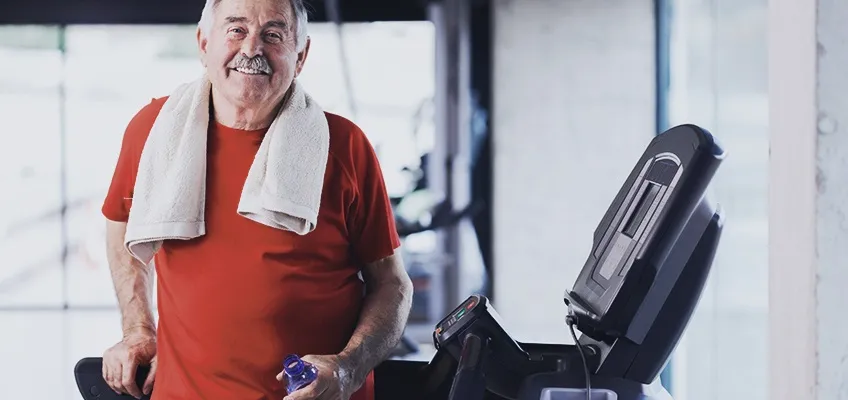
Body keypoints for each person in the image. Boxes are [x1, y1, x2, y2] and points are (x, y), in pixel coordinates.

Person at [99, 0, 414, 399]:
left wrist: (349, 368)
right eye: (236, 29)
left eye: (273, 35)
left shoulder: (345, 146)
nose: (252, 50)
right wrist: (138, 328)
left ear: (300, 56)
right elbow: (122, 222)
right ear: (203, 43)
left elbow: (392, 286)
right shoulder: (154, 132)